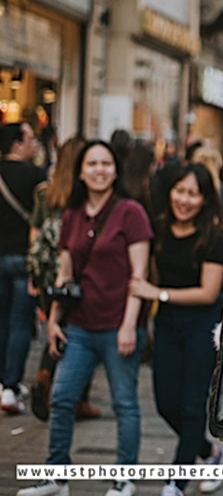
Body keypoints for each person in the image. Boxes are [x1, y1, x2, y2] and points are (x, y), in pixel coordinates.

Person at [18, 140, 154, 496]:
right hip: (78, 324)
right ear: (80, 171)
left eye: (106, 163)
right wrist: (53, 318)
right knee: (61, 399)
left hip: (118, 326)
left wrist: (129, 324)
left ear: (115, 170)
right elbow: (66, 274)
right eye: (92, 163)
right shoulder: (72, 214)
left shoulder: (131, 212)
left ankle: (124, 478)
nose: (99, 169)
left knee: (125, 403)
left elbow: (139, 278)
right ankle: (56, 477)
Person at [128, 163, 223, 496]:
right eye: (179, 190)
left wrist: (158, 294)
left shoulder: (213, 235)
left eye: (193, 193)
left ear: (204, 199)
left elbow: (208, 292)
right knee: (166, 403)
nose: (184, 200)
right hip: (168, 325)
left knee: (190, 406)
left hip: (201, 325)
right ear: (169, 191)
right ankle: (209, 452)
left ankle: (176, 482)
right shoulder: (158, 228)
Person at [26, 136, 101, 422]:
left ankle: (46, 376)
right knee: (80, 330)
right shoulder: (85, 198)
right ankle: (74, 397)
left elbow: (34, 236)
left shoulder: (46, 193)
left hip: (48, 272)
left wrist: (34, 273)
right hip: (77, 271)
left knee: (58, 326)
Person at [1, 122, 47, 415]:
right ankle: (10, 386)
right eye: (29, 139)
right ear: (17, 144)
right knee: (20, 323)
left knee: (2, 321)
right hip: (23, 259)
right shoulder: (35, 176)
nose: (34, 144)